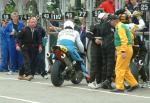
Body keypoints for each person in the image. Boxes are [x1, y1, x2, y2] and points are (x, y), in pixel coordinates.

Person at [109, 15, 138, 92]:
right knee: (125, 69)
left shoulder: (120, 27)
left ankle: (120, 87)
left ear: (114, 21)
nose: (110, 22)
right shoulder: (120, 26)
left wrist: (123, 51)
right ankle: (134, 83)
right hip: (125, 49)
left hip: (124, 49)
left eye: (110, 21)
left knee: (119, 68)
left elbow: (124, 40)